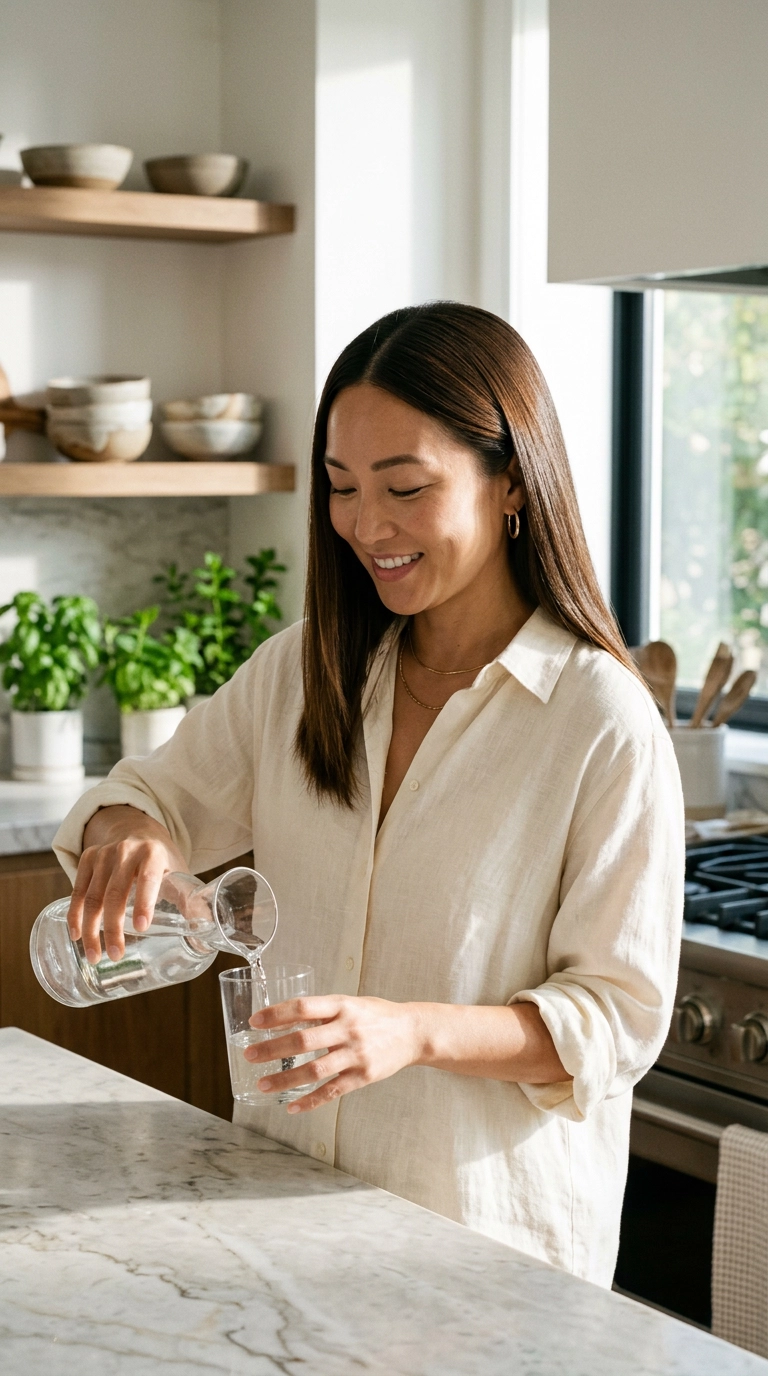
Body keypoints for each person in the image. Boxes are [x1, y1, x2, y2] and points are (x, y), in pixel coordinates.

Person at [54, 302, 684, 1286]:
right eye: (344, 488)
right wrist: (132, 836)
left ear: (511, 478)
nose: (367, 525)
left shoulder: (598, 721)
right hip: (283, 1218)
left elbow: (613, 1020)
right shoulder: (308, 672)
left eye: (407, 486)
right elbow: (147, 796)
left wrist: (413, 1029)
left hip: (485, 1258)